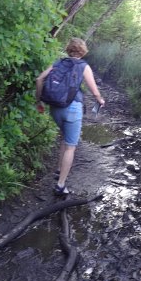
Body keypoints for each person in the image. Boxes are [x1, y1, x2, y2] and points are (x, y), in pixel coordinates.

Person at [36, 38, 105, 196]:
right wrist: (100, 100)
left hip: (55, 108)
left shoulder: (59, 63)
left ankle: (59, 170)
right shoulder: (83, 66)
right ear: (83, 51)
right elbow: (94, 91)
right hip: (72, 109)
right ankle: (60, 185)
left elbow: (39, 79)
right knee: (70, 146)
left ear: (68, 49)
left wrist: (38, 101)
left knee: (65, 138)